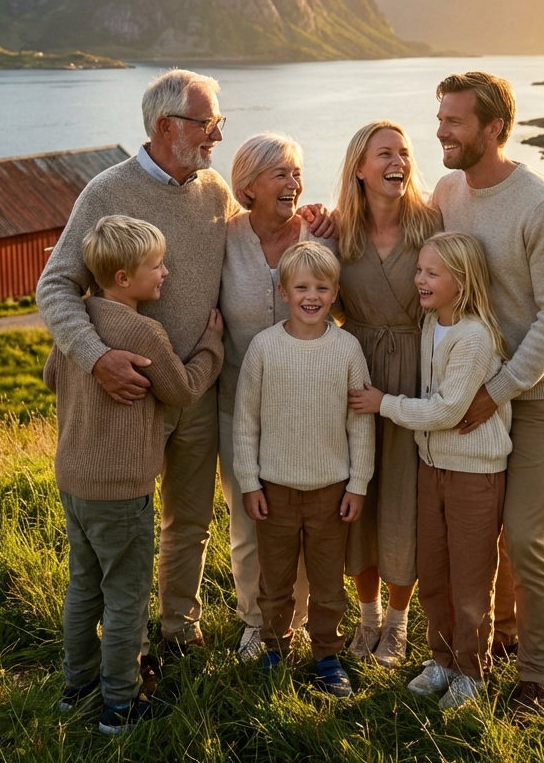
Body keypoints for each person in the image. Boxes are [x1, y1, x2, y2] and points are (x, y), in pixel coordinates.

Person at [38, 69, 333, 653]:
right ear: (167, 125)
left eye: (218, 124)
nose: (217, 136)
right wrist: (97, 359)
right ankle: (116, 643)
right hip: (123, 395)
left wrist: (312, 219)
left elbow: (263, 238)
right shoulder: (106, 192)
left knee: (189, 522)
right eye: (208, 124)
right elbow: (55, 287)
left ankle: (177, 628)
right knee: (125, 525)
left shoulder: (215, 192)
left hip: (197, 389)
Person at [432, 71, 544, 716]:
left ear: (494, 129)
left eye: (455, 121)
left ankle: (536, 674)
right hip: (473, 392)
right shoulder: (445, 191)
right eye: (439, 118)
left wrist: (499, 389)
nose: (441, 130)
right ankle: (486, 644)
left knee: (523, 534)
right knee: (476, 533)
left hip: (536, 394)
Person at [44, 215, 224, 735]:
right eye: (156, 266)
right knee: (125, 597)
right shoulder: (144, 330)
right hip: (121, 489)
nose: (165, 273)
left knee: (84, 586)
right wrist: (212, 345)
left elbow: (51, 375)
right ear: (123, 278)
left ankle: (76, 687)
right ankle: (119, 705)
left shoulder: (77, 322)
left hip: (74, 479)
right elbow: (184, 389)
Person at [350, 232, 511, 709]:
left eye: (431, 273)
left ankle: (471, 671)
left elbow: (447, 412)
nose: (419, 279)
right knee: (434, 571)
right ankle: (441, 659)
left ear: (461, 282)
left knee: (470, 577)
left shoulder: (475, 337)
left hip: (472, 473)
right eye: (419, 270)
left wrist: (384, 404)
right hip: (431, 466)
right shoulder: (428, 325)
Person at [233, 242, 375, 698]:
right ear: (283, 291)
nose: (311, 296)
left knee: (328, 581)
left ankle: (327, 657)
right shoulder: (264, 348)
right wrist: (249, 482)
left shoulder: (348, 349)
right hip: (273, 491)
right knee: (274, 580)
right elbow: (246, 422)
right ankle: (275, 649)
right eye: (301, 287)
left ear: (335, 292)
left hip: (331, 492)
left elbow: (360, 425)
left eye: (321, 287)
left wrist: (358, 484)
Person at [333, 121, 441, 668]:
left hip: (415, 375)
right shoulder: (337, 234)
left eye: (403, 151)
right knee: (361, 499)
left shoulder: (431, 224)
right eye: (384, 153)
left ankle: (398, 623)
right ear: (359, 167)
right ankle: (367, 616)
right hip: (354, 378)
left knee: (404, 500)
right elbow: (309, 292)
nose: (397, 160)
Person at [219, 133, 314, 660]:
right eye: (280, 174)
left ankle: (295, 622)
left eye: (297, 173)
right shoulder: (224, 237)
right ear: (249, 185)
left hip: (306, 409)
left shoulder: (319, 236)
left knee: (300, 517)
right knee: (249, 520)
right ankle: (256, 621)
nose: (293, 184)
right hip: (237, 405)